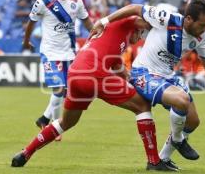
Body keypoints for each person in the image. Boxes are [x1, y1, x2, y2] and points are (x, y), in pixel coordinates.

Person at [91, 0, 205, 169]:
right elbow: (136, 7)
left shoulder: (202, 36)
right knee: (182, 100)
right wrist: (104, 20)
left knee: (193, 121)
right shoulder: (167, 18)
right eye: (203, 24)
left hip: (167, 76)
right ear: (189, 19)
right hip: (144, 73)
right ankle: (178, 139)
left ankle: (162, 160)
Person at [11, 16, 176, 171]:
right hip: (92, 73)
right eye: (141, 33)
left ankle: (25, 153)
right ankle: (154, 161)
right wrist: (170, 26)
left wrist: (144, 86)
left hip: (76, 74)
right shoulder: (125, 23)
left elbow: (122, 72)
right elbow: (143, 18)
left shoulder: (115, 39)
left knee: (66, 122)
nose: (141, 37)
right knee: (142, 106)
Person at [22, 0, 93, 141]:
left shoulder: (76, 0)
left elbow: (87, 22)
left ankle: (44, 119)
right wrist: (26, 41)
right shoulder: (43, 3)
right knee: (59, 89)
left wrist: (97, 35)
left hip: (69, 52)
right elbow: (31, 22)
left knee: (67, 91)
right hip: (50, 53)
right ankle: (53, 124)